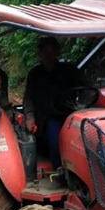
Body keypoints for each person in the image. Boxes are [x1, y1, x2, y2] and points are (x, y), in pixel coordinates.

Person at [23, 36, 86, 168]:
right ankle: (60, 169)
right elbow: (28, 98)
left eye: (51, 51)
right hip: (47, 118)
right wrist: (30, 116)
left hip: (71, 114)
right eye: (45, 51)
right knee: (55, 134)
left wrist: (83, 104)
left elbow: (85, 89)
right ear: (40, 54)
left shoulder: (69, 70)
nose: (48, 55)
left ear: (57, 52)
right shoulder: (35, 74)